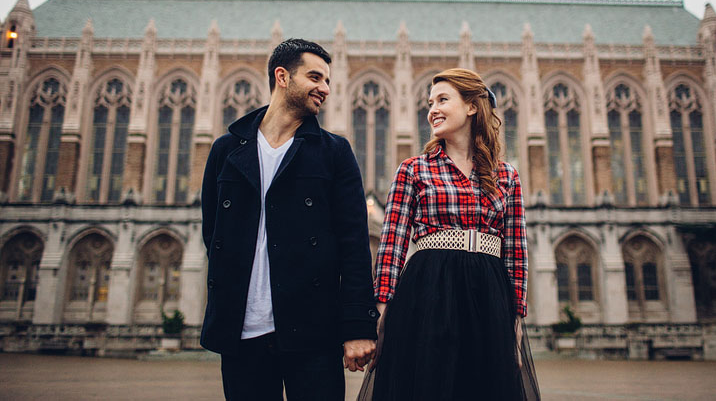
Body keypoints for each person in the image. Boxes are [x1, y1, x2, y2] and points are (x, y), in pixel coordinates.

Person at [201, 38, 378, 400]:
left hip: (313, 330)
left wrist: (358, 326)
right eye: (315, 77)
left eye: (327, 81)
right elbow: (213, 233)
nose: (325, 89)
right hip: (242, 332)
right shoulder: (226, 150)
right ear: (282, 77)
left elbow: (355, 246)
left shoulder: (334, 152)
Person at [359, 68, 540, 401]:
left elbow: (516, 254)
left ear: (472, 106)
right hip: (429, 290)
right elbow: (392, 248)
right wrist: (380, 317)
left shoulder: (507, 176)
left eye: (443, 100)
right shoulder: (413, 169)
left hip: (488, 294)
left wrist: (515, 326)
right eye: (430, 102)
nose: (432, 110)